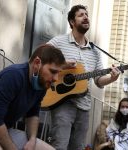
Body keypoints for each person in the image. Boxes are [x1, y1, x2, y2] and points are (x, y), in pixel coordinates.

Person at [47, 4, 120, 150]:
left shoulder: (95, 51)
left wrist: (112, 78)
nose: (86, 17)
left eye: (87, 14)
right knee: (59, 146)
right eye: (81, 15)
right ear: (72, 22)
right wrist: (62, 65)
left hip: (84, 107)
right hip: (62, 103)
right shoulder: (58, 42)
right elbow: (39, 60)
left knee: (78, 147)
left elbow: (98, 81)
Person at [0, 44, 66, 150]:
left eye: (58, 73)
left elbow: (33, 114)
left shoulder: (41, 84)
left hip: (5, 130)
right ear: (37, 63)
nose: (56, 78)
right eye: (53, 71)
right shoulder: (13, 76)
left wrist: (32, 140)